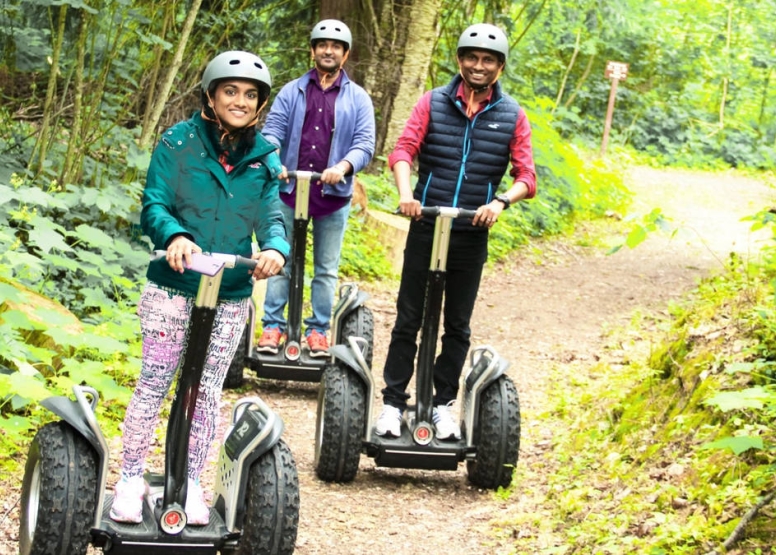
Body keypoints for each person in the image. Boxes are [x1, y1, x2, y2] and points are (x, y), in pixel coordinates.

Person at [109, 51, 289, 525]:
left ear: (260, 104)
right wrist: (175, 236)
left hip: (228, 292)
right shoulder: (178, 142)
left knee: (206, 390)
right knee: (155, 381)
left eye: (250, 95)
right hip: (174, 285)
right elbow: (154, 203)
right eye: (231, 91)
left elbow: (271, 215)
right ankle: (129, 478)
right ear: (210, 94)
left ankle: (188, 483)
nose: (241, 101)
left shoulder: (264, 158)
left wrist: (274, 247)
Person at [375, 23, 537, 440]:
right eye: (471, 57)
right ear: (460, 61)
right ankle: (393, 403)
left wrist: (500, 202)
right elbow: (403, 150)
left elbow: (527, 176)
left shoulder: (512, 115)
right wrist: (407, 194)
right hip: (427, 223)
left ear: (499, 66)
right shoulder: (432, 102)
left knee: (457, 325)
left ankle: (442, 403)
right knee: (408, 317)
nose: (478, 66)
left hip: (470, 231)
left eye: (487, 60)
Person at [257, 19, 375, 357]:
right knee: (279, 259)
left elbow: (364, 144)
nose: (328, 50)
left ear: (345, 54)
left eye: (336, 46)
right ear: (313, 50)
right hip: (288, 191)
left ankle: (319, 331)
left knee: (325, 269)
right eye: (322, 44)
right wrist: (274, 160)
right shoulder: (292, 90)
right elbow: (272, 131)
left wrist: (342, 167)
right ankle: (273, 327)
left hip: (332, 197)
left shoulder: (358, 98)